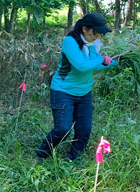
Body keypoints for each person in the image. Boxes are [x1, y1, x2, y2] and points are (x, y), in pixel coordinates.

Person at [36, 12, 119, 161]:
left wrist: (114, 62)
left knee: (84, 130)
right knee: (63, 128)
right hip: (63, 90)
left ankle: (73, 159)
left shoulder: (92, 45)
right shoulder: (70, 42)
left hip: (84, 92)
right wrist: (101, 58)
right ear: (85, 29)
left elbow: (93, 67)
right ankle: (43, 153)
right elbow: (81, 66)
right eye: (96, 32)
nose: (98, 36)